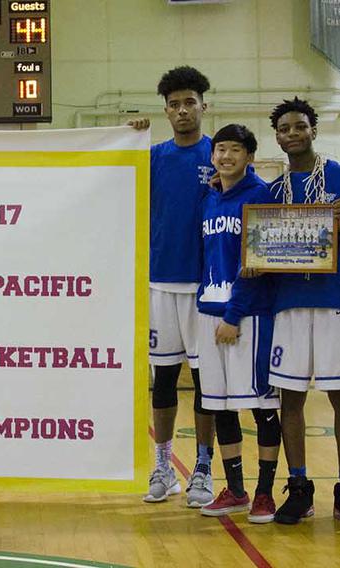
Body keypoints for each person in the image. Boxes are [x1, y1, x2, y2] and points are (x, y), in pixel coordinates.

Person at [265, 97, 340, 529]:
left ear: (314, 130)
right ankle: (299, 489)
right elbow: (261, 246)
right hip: (289, 306)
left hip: (336, 303)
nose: (292, 134)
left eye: (299, 126)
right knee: (289, 400)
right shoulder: (271, 192)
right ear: (276, 137)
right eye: (284, 129)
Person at [128, 66, 217, 507]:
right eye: (174, 104)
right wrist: (127, 140)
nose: (182, 110)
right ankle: (163, 466)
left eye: (189, 102)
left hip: (206, 289)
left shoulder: (220, 156)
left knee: (206, 385)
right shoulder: (153, 157)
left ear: (204, 105)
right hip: (160, 284)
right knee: (162, 383)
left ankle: (203, 468)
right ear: (165, 110)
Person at [195, 124, 281, 523]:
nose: (226, 156)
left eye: (234, 150)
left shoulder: (260, 196)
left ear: (249, 156)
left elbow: (257, 265)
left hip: (248, 318)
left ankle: (265, 493)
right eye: (220, 150)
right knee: (221, 407)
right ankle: (235, 490)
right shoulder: (210, 197)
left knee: (261, 406)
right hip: (209, 314)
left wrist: (233, 316)